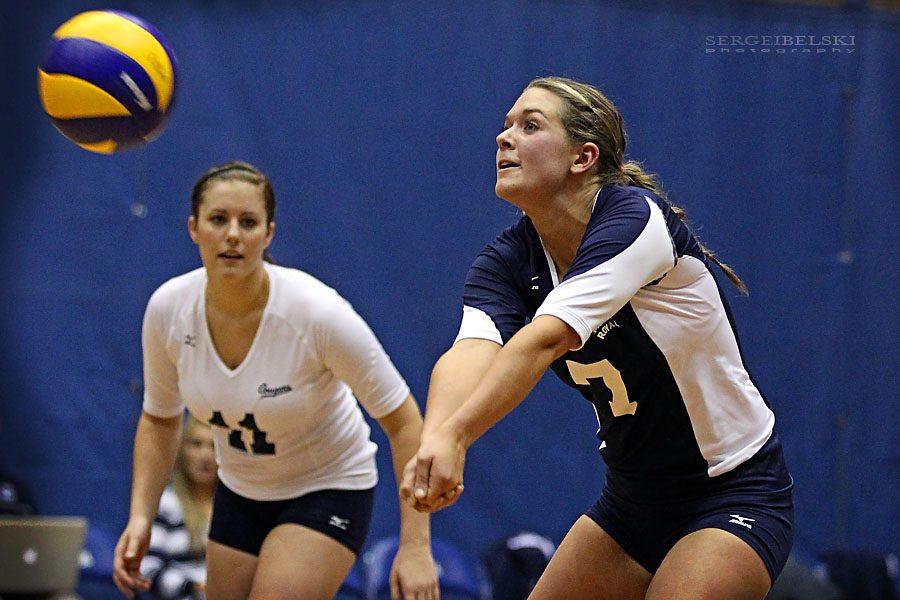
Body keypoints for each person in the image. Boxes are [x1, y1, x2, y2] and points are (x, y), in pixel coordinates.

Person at [402, 77, 794, 600]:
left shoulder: (635, 219)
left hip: (732, 489)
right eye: (506, 125)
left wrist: (459, 435)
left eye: (530, 125)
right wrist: (436, 437)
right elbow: (471, 352)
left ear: (583, 157)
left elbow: (545, 340)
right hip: (631, 504)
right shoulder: (507, 262)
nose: (504, 137)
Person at [114, 161, 439, 600]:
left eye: (248, 222)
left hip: (328, 487)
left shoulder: (317, 313)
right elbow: (160, 419)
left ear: (268, 234)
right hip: (241, 490)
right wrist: (141, 518)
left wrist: (416, 546)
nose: (233, 234)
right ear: (194, 228)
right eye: (218, 219)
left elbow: (405, 423)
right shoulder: (168, 310)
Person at [139, 415, 217, 599]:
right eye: (196, 444)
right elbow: (148, 569)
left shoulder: (234, 506)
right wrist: (194, 587)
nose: (205, 456)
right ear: (182, 449)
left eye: (214, 447)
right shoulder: (167, 502)